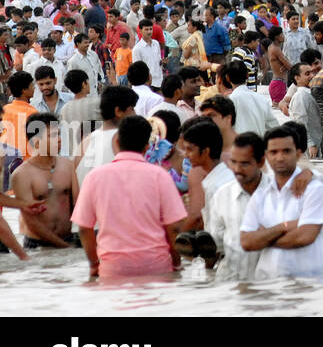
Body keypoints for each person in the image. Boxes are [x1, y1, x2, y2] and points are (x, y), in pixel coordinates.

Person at [70, 114, 188, 278]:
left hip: (112, 269)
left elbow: (83, 228)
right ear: (147, 147)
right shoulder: (160, 176)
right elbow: (174, 228)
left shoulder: (94, 177)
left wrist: (94, 265)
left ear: (116, 142)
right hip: (157, 266)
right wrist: (176, 263)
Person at [239, 125, 323, 279]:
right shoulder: (260, 195)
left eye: (286, 151)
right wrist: (285, 227)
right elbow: (246, 242)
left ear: (298, 154)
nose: (280, 157)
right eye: (274, 152)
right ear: (266, 157)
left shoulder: (315, 190)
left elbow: (304, 237)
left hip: (309, 288)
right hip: (268, 289)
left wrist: (263, 238)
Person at [207, 132, 272, 280]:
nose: (237, 169)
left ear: (261, 162)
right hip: (231, 285)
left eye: (244, 163)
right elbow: (215, 246)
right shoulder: (222, 195)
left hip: (269, 284)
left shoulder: (279, 193)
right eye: (233, 162)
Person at [8, 113, 79, 249]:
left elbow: (78, 205)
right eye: (52, 136)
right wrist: (64, 247)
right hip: (37, 245)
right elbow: (31, 221)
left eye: (58, 134)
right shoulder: (22, 175)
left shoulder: (68, 166)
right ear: (37, 142)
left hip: (68, 239)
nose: (59, 140)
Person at [73, 85, 136, 185]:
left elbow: (76, 189)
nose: (135, 114)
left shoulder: (85, 142)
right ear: (118, 111)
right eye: (132, 109)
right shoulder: (125, 142)